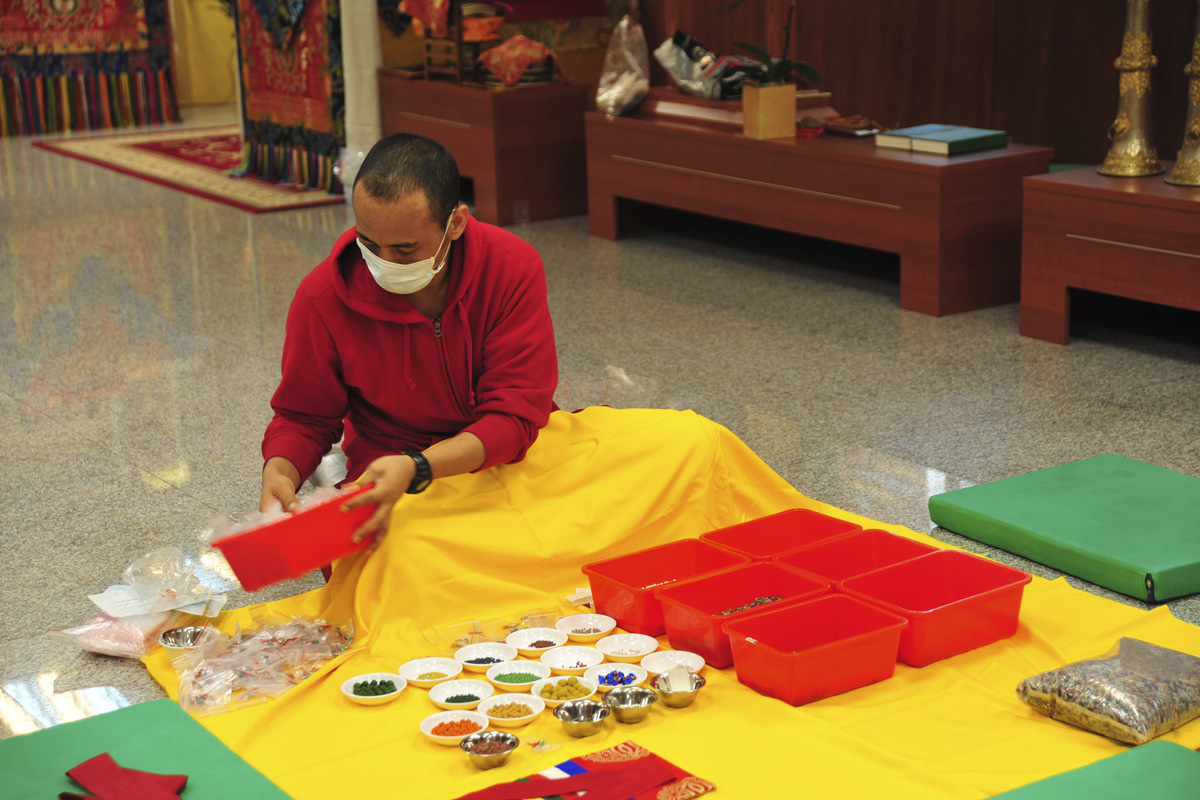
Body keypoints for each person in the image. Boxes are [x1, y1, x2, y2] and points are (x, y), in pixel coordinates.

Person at [259, 133, 558, 542]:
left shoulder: (511, 268)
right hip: (390, 469)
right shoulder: (321, 297)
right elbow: (303, 416)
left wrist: (421, 466)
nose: (384, 264)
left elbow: (515, 416)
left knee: (612, 497)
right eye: (369, 244)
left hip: (503, 453)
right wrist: (280, 470)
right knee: (405, 557)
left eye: (405, 250)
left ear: (456, 223)